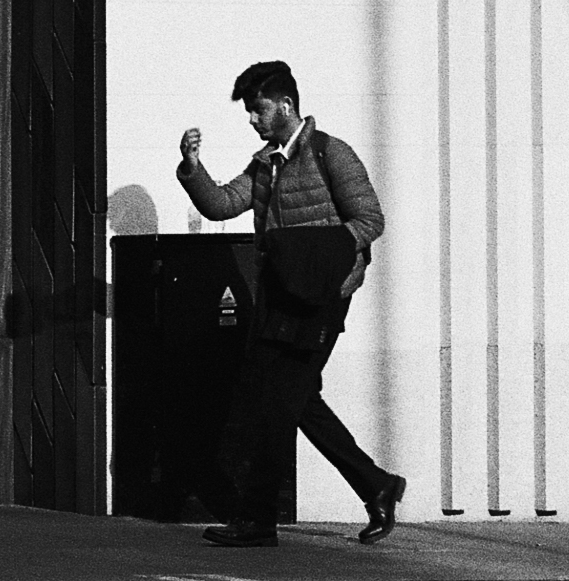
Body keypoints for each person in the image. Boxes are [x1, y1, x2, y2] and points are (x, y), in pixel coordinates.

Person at [175, 59, 408, 548]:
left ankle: (258, 520)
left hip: (320, 301)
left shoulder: (330, 153)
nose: (254, 120)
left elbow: (370, 219)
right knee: (292, 401)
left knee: (276, 406)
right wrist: (193, 170)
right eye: (250, 113)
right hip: (279, 301)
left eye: (258, 110)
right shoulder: (265, 165)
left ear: (285, 105)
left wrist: (318, 262)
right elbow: (220, 205)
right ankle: (377, 485)